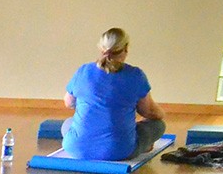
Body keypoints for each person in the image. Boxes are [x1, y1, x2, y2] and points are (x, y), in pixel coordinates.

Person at [61, 28, 167, 162]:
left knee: (68, 123)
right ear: (126, 49)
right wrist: (162, 114)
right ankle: (142, 146)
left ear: (101, 48)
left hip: (75, 148)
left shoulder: (83, 71)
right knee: (159, 125)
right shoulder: (136, 75)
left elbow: (69, 103)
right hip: (119, 151)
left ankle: (87, 144)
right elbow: (150, 112)